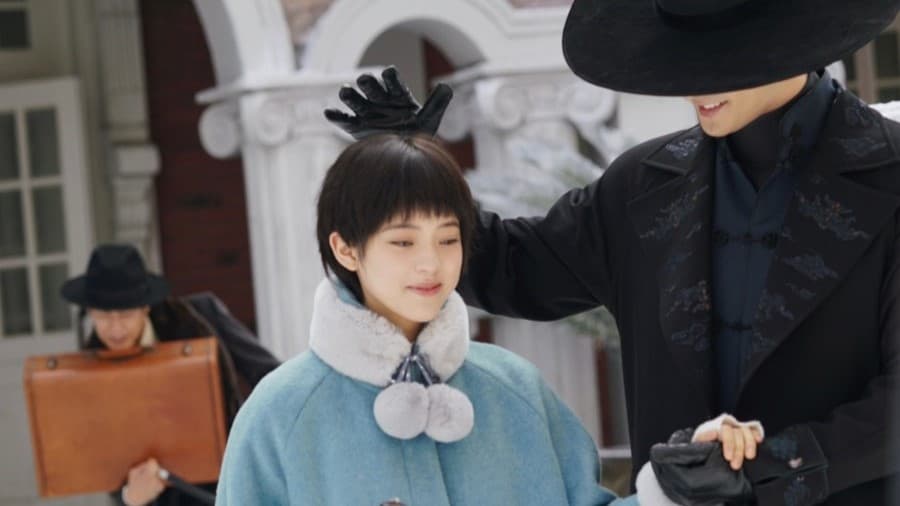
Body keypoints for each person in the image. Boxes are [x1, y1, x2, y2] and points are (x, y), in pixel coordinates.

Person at [324, 0, 900, 503]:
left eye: (721, 59)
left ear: (793, 38)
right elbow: (511, 267)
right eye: (684, 59)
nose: (694, 84)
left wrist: (767, 468)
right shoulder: (643, 187)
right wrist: (412, 170)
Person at [217, 133, 654, 505]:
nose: (431, 263)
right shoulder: (282, 413)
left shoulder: (517, 390)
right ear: (345, 249)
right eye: (403, 242)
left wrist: (668, 495)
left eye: (448, 239)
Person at [61, 244, 281, 506]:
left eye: (126, 315)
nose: (116, 329)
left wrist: (262, 447)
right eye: (104, 317)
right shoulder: (88, 372)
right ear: (90, 313)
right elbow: (106, 462)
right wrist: (129, 498)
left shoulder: (201, 318)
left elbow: (274, 381)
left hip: (240, 483)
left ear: (145, 307)